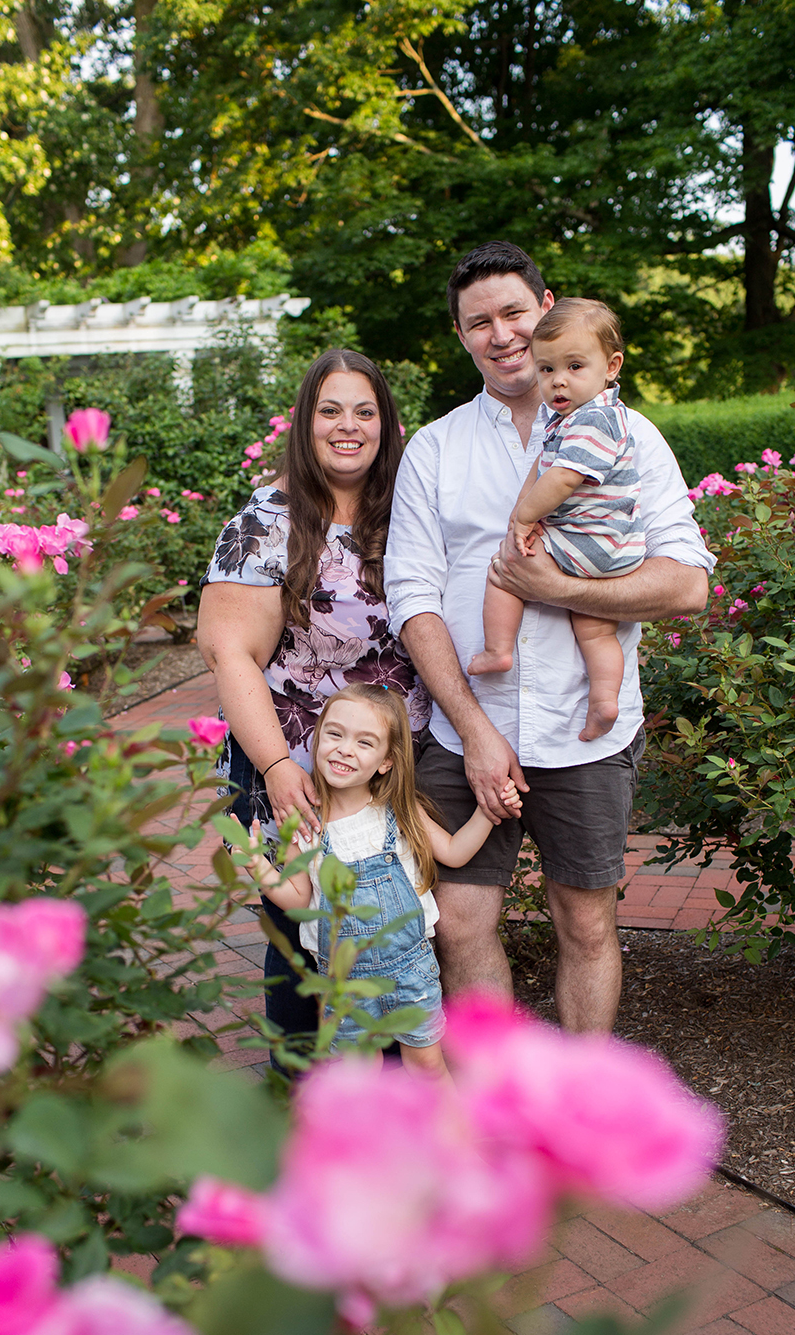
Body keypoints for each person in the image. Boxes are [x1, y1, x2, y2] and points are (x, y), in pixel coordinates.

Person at [384, 241, 715, 1032]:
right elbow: (411, 596)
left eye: (512, 313)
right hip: (468, 727)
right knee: (458, 925)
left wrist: (563, 590)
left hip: (584, 730)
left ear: (546, 309)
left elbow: (688, 582)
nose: (499, 334)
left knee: (586, 924)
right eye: (478, 322)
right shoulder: (434, 449)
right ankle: (497, 1117)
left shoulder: (630, 436)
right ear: (460, 335)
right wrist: (474, 730)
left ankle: (573, 1124)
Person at [197, 349, 431, 1046]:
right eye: (330, 410)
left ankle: (392, 1100)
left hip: (392, 760)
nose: (347, 426)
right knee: (299, 935)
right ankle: (293, 1096)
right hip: (290, 755)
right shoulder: (266, 519)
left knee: (396, 927)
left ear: (387, 424)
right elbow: (227, 650)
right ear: (304, 423)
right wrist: (275, 765)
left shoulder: (412, 507)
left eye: (365, 411)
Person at [231, 684, 521, 1078]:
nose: (345, 749)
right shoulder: (306, 826)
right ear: (317, 742)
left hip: (412, 971)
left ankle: (454, 1137)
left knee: (427, 1064)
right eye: (334, 734)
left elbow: (454, 852)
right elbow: (298, 899)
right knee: (359, 1076)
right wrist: (255, 866)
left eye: (364, 742)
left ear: (386, 761)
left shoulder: (398, 811)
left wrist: (489, 814)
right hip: (342, 980)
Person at [468, 298, 644, 745]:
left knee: (506, 570)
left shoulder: (592, 420)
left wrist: (522, 519)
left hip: (587, 538)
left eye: (574, 367)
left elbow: (562, 478)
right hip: (616, 547)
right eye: (546, 370)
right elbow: (546, 466)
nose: (558, 381)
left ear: (612, 366)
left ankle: (497, 650)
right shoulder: (578, 419)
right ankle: (605, 700)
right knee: (594, 624)